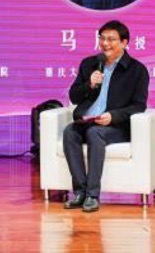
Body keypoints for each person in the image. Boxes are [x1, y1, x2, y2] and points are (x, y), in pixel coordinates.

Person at [62, 20, 149, 212]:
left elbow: (139, 105)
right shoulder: (89, 64)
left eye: (111, 39)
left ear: (124, 42)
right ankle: (80, 192)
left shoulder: (137, 70)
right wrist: (89, 84)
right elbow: (73, 96)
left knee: (95, 133)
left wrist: (114, 116)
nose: (105, 43)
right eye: (102, 38)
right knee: (69, 132)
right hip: (87, 122)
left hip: (116, 127)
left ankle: (92, 195)